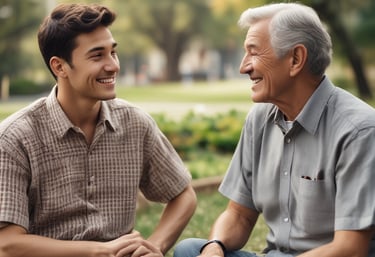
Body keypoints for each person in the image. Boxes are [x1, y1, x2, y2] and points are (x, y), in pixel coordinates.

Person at [174, 2, 375, 257]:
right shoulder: (259, 119)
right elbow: (239, 214)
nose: (243, 67)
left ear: (295, 59)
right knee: (190, 250)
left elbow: (351, 249)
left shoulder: (359, 131)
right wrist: (215, 246)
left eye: (254, 53)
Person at [0, 3, 197, 257]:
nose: (113, 65)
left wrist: (155, 246)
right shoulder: (13, 139)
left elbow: (183, 194)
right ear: (59, 67)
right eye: (97, 55)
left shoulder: (136, 124)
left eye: (112, 52)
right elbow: (7, 243)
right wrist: (98, 251)